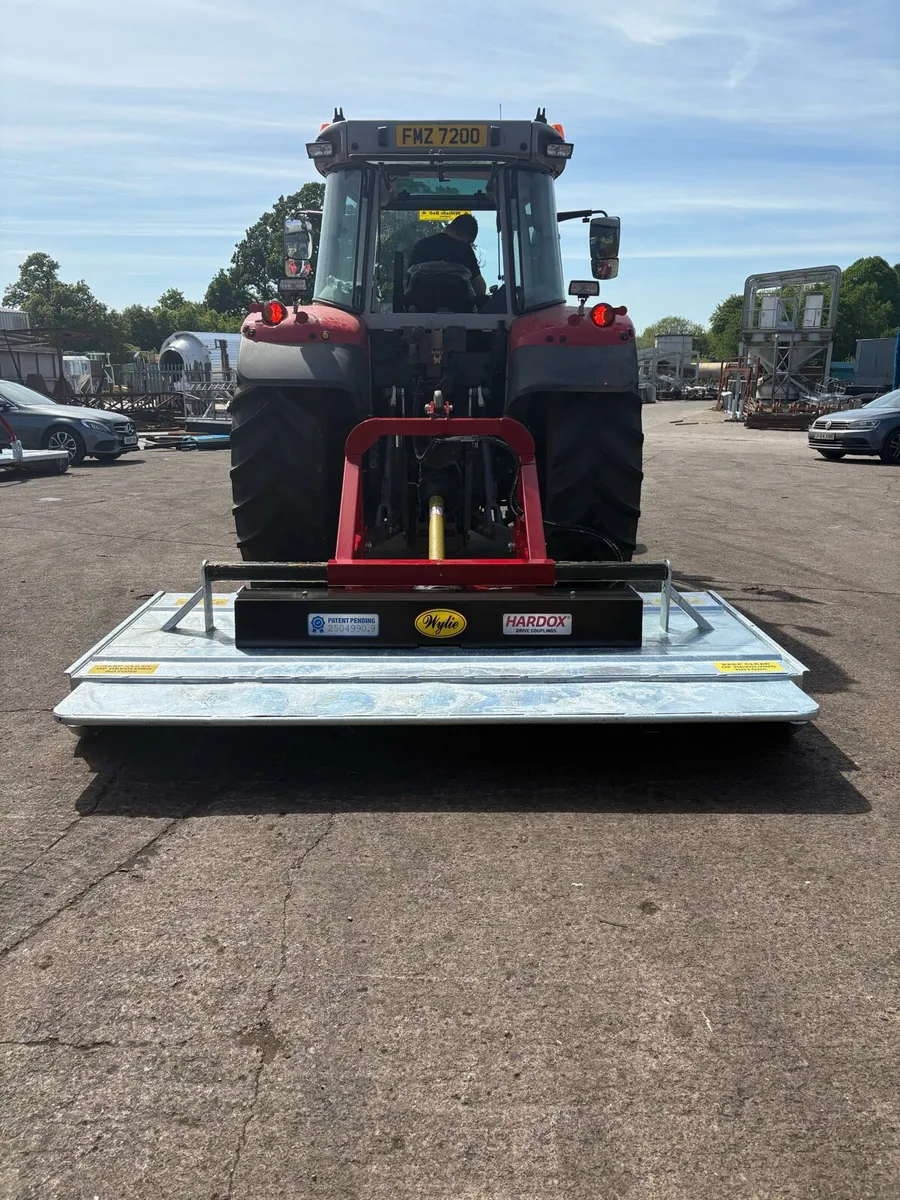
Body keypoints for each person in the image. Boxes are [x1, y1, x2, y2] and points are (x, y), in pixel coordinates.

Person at [408, 213, 486, 299]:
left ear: (449, 227)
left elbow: (409, 283)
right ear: (466, 239)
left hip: (420, 307)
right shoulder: (463, 249)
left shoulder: (420, 246)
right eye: (468, 242)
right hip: (459, 308)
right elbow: (480, 290)